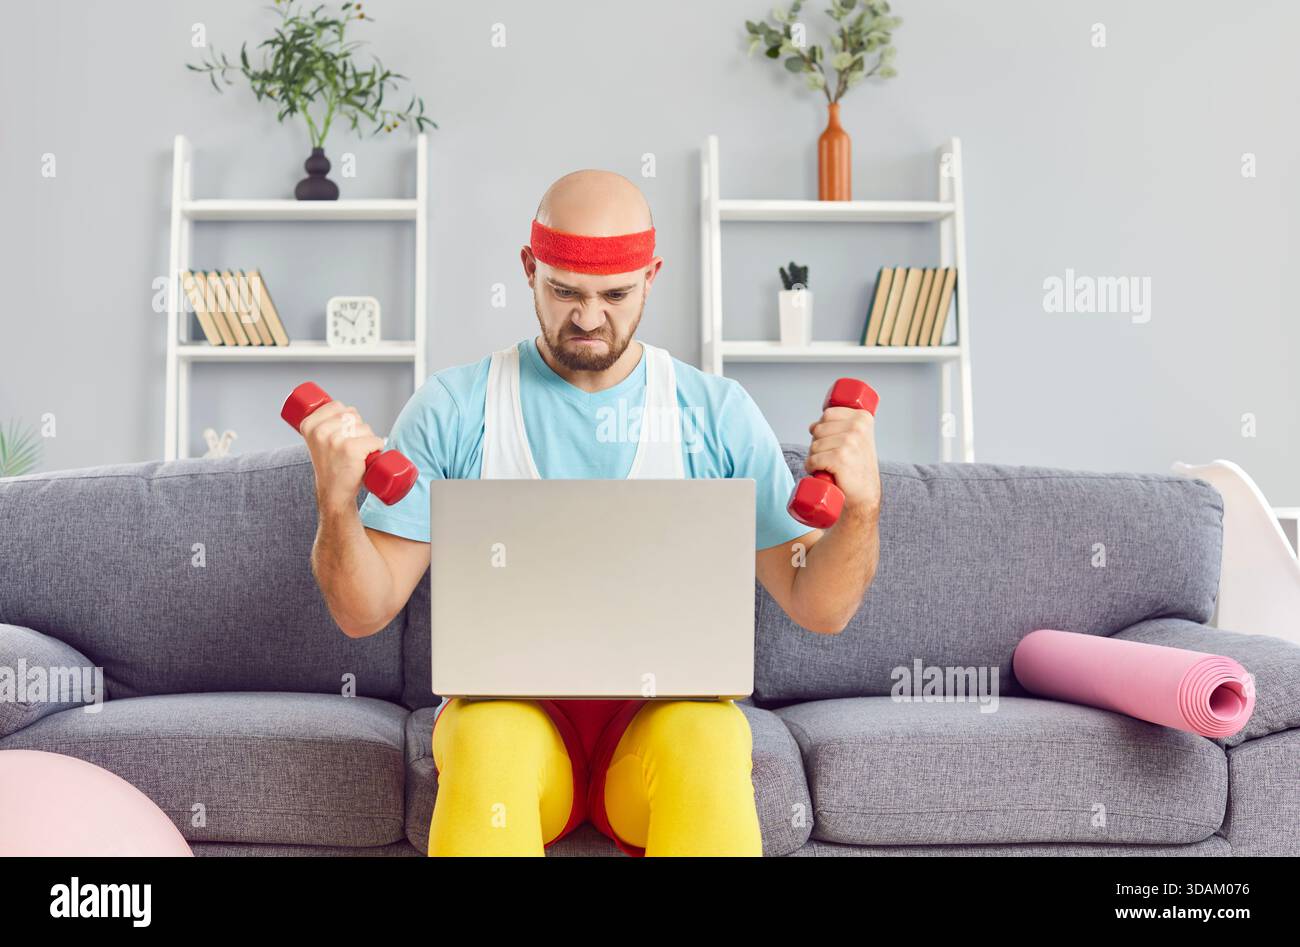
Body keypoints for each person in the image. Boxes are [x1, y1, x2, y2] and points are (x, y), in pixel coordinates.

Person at [300, 169, 882, 856]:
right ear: (528, 268)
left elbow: (820, 606)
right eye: (564, 290)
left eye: (614, 294)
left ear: (651, 276)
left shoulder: (715, 413)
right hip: (511, 724)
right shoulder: (454, 406)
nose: (587, 316)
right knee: (489, 740)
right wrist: (336, 504)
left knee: (711, 736)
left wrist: (863, 508)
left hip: (659, 731)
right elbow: (363, 610)